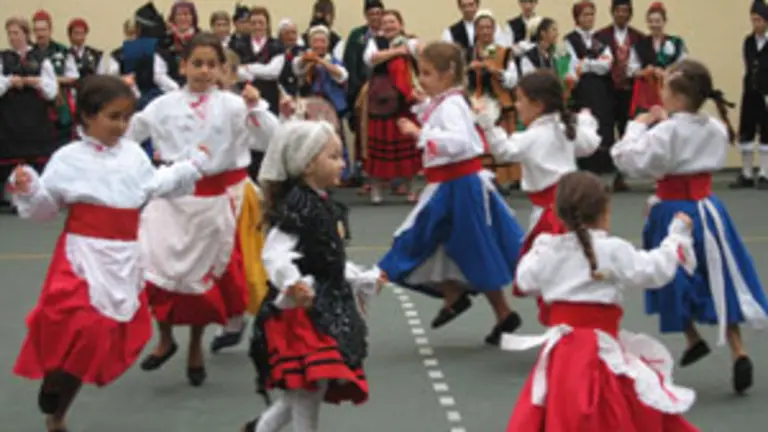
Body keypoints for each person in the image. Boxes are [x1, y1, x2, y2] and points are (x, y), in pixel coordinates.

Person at [7, 75, 208, 432]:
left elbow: (153, 185)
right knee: (70, 323)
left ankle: (58, 411)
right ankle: (54, 380)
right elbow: (45, 208)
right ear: (87, 115)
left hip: (122, 257)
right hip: (80, 256)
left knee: (96, 335)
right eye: (113, 117)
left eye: (126, 117)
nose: (121, 125)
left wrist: (188, 167)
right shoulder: (68, 158)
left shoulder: (133, 155)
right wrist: (29, 189)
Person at [125, 32, 279, 387]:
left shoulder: (234, 105)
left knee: (202, 277)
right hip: (169, 197)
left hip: (214, 201)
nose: (204, 71)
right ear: (182, 67)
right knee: (155, 268)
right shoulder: (162, 106)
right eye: (197, 63)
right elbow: (129, 134)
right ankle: (165, 337)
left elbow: (270, 138)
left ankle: (195, 345)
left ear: (222, 68)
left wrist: (257, 106)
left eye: (212, 64)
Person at [612, 59, 768, 394]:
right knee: (718, 274)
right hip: (709, 210)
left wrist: (639, 125)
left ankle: (692, 336)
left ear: (678, 97)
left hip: (673, 213)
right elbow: (685, 135)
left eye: (666, 88)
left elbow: (627, 159)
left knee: (671, 274)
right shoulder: (713, 126)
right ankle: (738, 350)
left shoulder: (666, 132)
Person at [502, 171, 698, 432]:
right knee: (613, 412)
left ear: (558, 214)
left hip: (563, 354)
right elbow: (654, 270)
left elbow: (525, 281)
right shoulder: (612, 249)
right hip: (598, 351)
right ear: (605, 211)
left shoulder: (547, 250)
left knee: (565, 413)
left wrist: (544, 245)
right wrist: (677, 237)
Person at [379, 41, 525, 345]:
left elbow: (458, 142)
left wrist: (420, 133)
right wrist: (424, 109)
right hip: (452, 184)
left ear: (447, 74)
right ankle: (471, 301)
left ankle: (466, 299)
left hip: (457, 185)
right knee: (454, 245)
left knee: (429, 241)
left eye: (427, 74)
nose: (422, 80)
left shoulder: (452, 105)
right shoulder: (447, 102)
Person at [243, 121, 384, 432]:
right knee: (308, 388)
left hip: (322, 307)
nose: (342, 163)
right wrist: (292, 282)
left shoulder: (323, 205)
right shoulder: (300, 206)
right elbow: (275, 253)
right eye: (333, 157)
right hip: (300, 314)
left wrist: (361, 278)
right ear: (307, 165)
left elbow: (326, 259)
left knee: (304, 391)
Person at [477, 70, 600, 324]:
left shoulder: (535, 136)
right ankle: (575, 317)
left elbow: (503, 151)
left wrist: (487, 123)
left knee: (549, 270)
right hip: (573, 206)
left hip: (551, 214)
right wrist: (587, 121)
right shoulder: (565, 128)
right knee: (572, 266)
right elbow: (590, 144)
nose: (517, 106)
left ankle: (562, 321)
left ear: (538, 105)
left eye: (520, 100)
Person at [362, 9, 422, 204]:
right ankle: (377, 188)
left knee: (408, 142)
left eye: (392, 22)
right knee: (381, 143)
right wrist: (397, 51)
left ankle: (412, 187)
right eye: (385, 22)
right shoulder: (375, 42)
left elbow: (419, 52)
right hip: (383, 99)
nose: (389, 25)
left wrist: (408, 48)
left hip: (405, 99)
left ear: (401, 25)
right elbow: (371, 58)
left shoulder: (410, 41)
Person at [0, 17, 58, 207]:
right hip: (10, 116)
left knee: (35, 155)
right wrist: (9, 82)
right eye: (9, 33)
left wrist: (37, 82)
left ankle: (35, 195)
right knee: (11, 155)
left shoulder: (41, 58)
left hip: (35, 116)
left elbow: (52, 90)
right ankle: (12, 196)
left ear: (26, 34)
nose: (12, 37)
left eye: (16, 33)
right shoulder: (3, 58)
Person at [595, 0, 644, 192]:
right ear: (612, 12)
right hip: (606, 90)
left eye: (625, 11)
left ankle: (621, 176)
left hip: (629, 92)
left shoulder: (639, 37)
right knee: (605, 132)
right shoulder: (600, 36)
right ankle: (602, 178)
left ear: (630, 14)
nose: (622, 14)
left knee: (626, 131)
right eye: (618, 11)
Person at [564, 1, 616, 176]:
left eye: (592, 14)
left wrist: (587, 63)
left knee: (602, 123)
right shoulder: (570, 40)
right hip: (582, 89)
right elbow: (574, 66)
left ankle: (602, 163)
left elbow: (607, 64)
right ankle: (586, 164)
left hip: (601, 88)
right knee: (584, 123)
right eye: (585, 14)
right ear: (577, 18)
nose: (589, 18)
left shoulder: (600, 38)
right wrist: (592, 64)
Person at [732, 0, 768, 189]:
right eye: (753, 20)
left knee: (766, 131)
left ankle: (764, 173)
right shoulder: (748, 41)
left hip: (766, 93)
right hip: (750, 92)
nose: (756, 24)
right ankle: (746, 173)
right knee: (746, 130)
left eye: (759, 20)